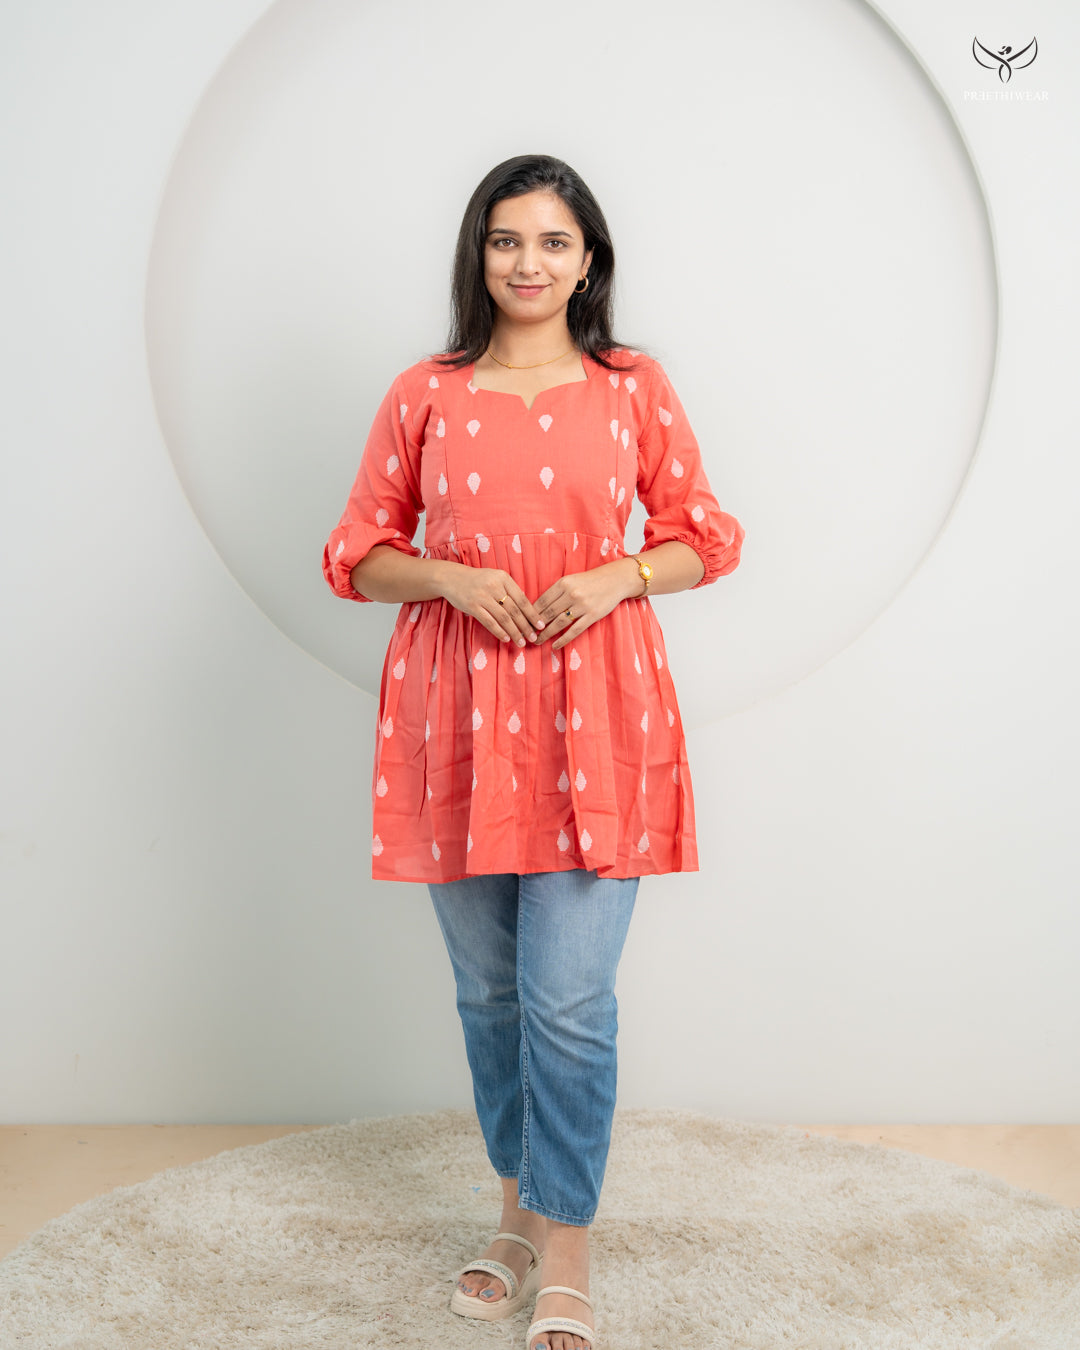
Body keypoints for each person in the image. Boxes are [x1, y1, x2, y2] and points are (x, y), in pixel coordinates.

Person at [323, 154, 744, 1350]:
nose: (529, 262)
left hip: (595, 712)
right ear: (479, 253)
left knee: (568, 1000)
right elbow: (355, 554)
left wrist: (620, 574)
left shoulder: (630, 387)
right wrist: (447, 574)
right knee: (492, 994)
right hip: (453, 712)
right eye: (507, 239)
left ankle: (566, 1244)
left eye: (555, 241)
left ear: (589, 260)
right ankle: (515, 1210)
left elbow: (706, 535)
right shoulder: (426, 392)